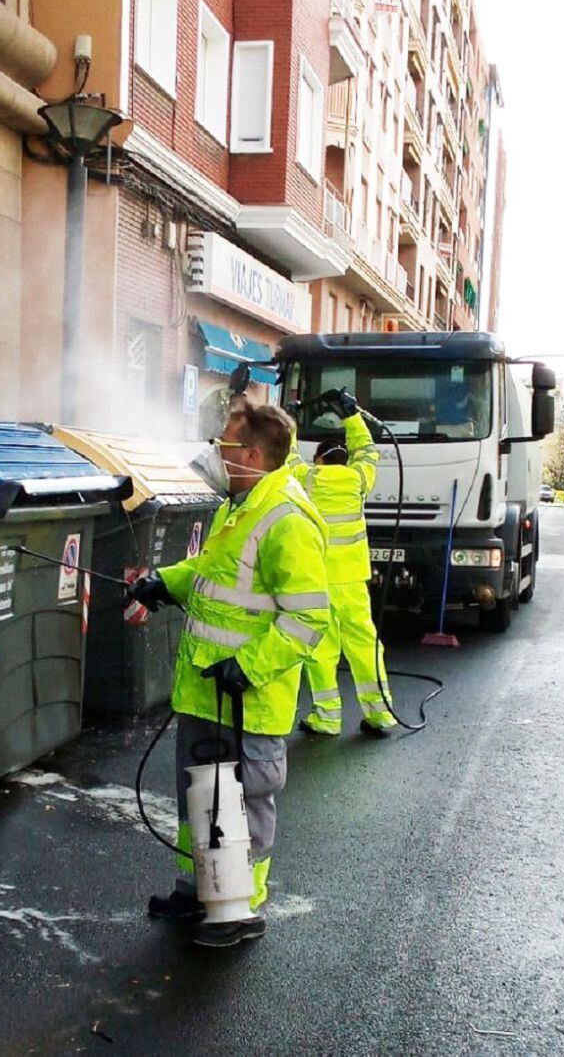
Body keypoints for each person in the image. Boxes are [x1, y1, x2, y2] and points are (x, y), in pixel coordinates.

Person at [127, 399, 329, 948]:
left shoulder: (286, 519)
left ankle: (238, 910)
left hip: (246, 695)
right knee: (203, 793)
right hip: (205, 688)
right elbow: (210, 573)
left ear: (252, 453)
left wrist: (249, 666)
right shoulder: (241, 505)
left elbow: (309, 615)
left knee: (242, 801)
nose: (216, 451)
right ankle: (202, 888)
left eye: (224, 444)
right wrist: (164, 582)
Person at [288, 388, 395, 736]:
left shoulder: (307, 480)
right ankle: (380, 715)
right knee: (364, 645)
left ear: (318, 459)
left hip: (316, 582)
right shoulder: (358, 480)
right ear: (343, 461)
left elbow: (286, 458)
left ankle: (327, 717)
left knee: (320, 648)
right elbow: (368, 451)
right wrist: (351, 415)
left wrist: (289, 421)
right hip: (351, 581)